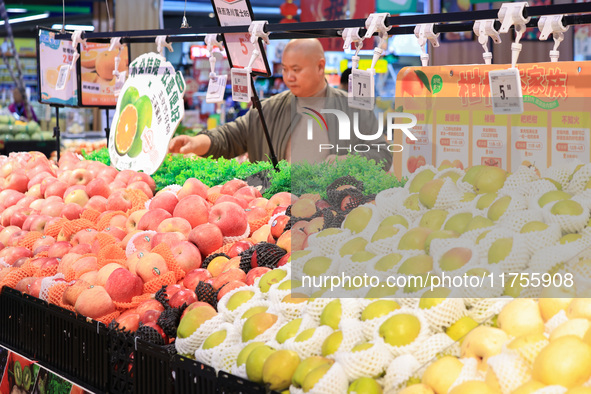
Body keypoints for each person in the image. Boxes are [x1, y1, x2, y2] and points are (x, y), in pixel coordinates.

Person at [169, 39, 392, 170]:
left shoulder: (354, 109)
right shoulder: (269, 109)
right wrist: (196, 142)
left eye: (296, 70)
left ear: (320, 67)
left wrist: (344, 162)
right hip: (277, 216)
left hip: (336, 211)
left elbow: (382, 154)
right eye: (285, 69)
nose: (288, 77)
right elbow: (231, 136)